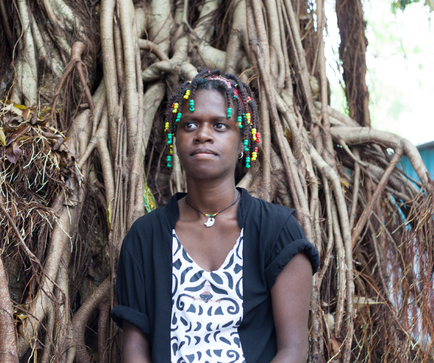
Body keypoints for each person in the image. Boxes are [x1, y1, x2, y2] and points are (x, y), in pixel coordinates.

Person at [111, 68, 319, 363]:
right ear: (176, 138)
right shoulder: (145, 238)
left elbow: (293, 351)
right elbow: (135, 351)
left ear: (242, 142)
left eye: (220, 126)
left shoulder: (277, 231)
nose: (203, 135)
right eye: (190, 125)